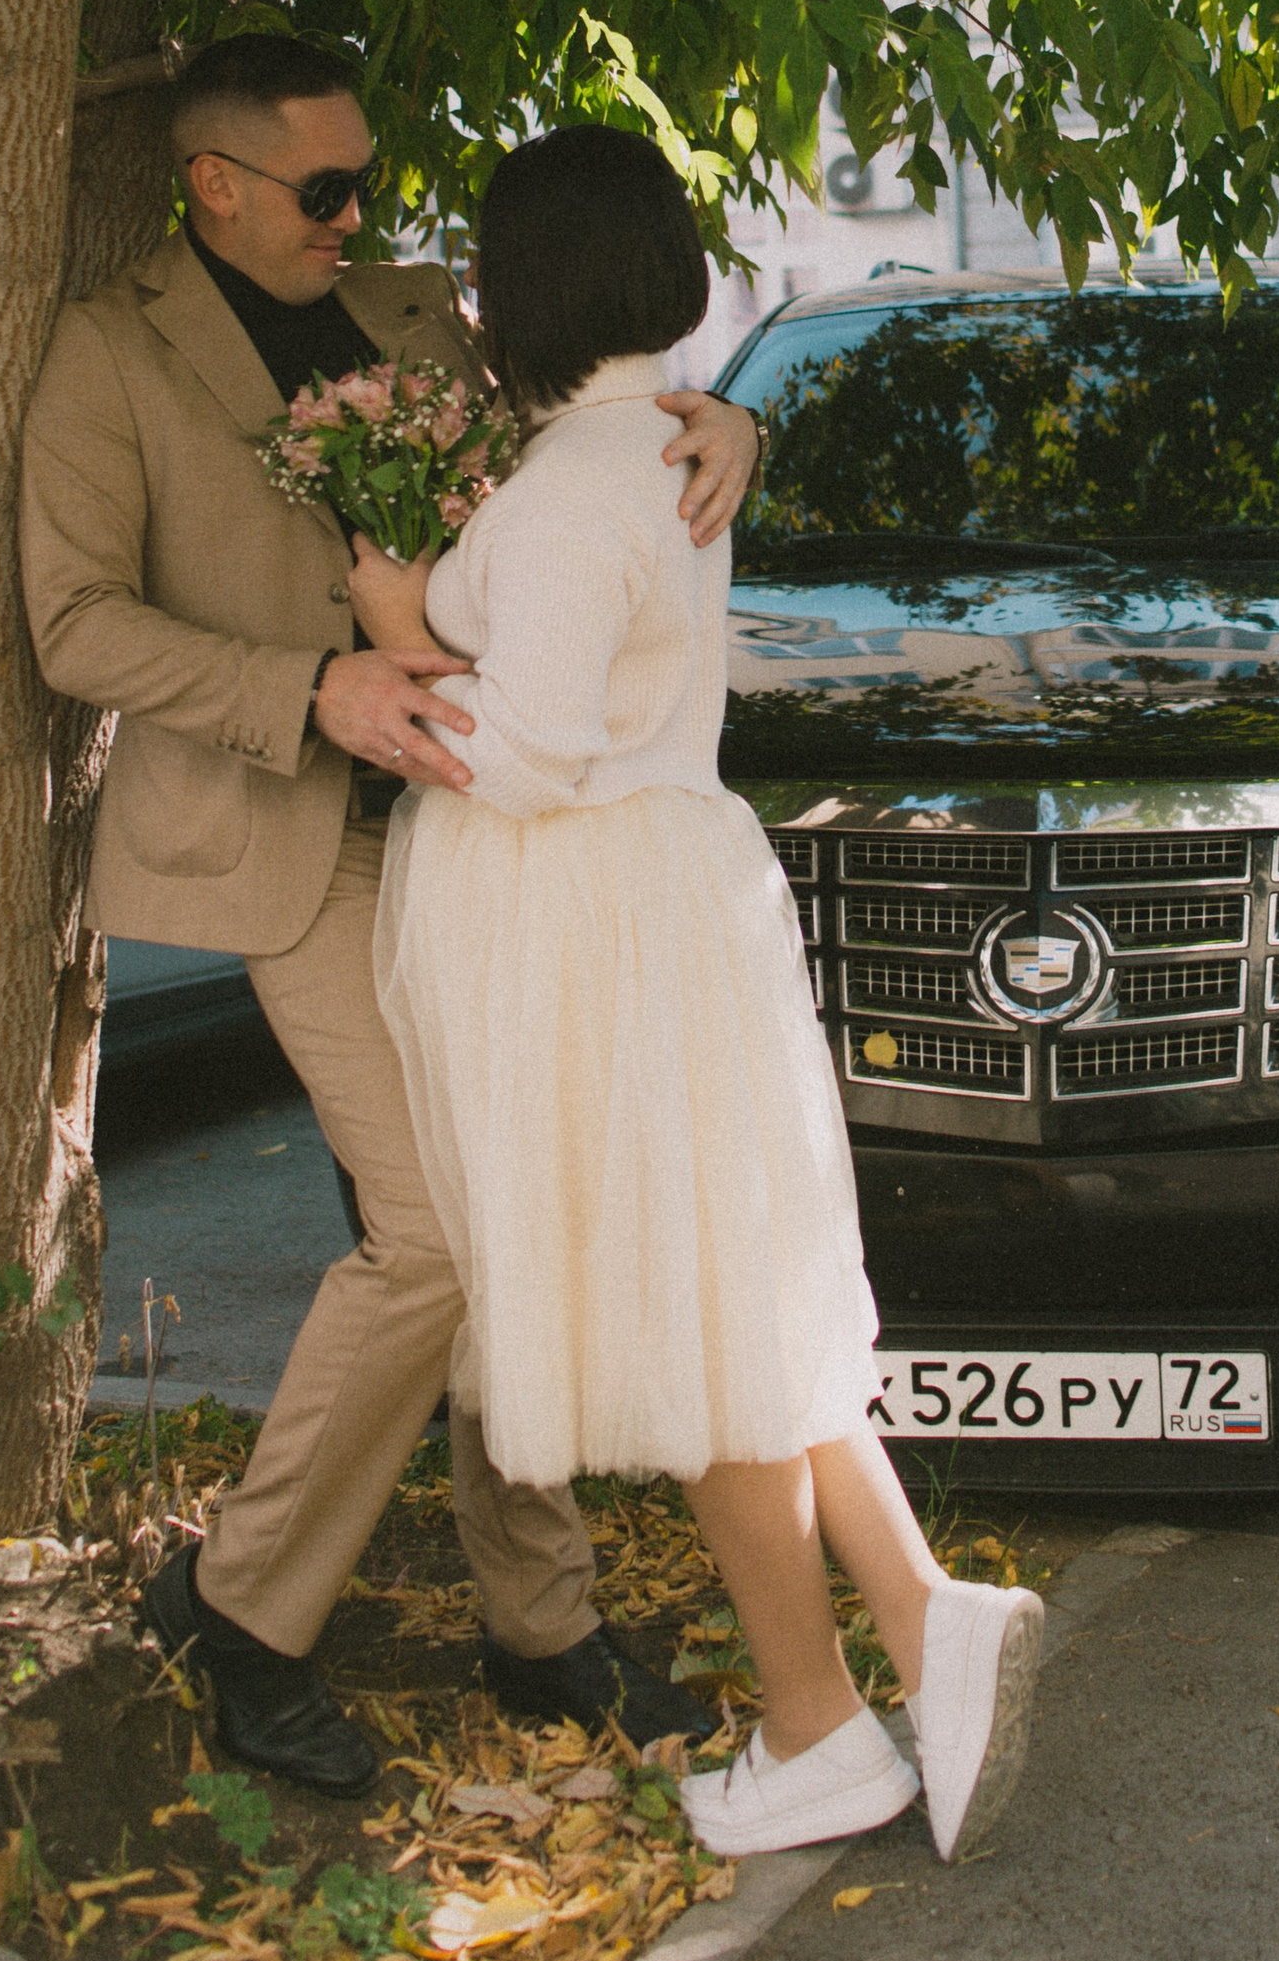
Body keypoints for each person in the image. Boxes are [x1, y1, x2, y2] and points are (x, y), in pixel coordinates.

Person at [20, 36, 761, 1796]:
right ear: (211, 182)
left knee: (505, 1206)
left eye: (371, 183)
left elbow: (593, 464)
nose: (361, 218)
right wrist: (311, 686)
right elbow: (75, 621)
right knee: (435, 1230)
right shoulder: (109, 353)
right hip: (296, 832)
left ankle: (541, 1625)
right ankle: (236, 1609)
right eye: (324, 189)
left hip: (483, 837)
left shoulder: (425, 313)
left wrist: (730, 412)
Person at [363, 124, 1044, 1866]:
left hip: (602, 928)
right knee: (740, 1305)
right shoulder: (654, 445)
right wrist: (417, 593)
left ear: (523, 288)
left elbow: (521, 754)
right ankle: (911, 1623)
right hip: (671, 905)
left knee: (693, 1322)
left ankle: (823, 1718)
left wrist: (397, 666)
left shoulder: (586, 486)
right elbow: (516, 610)